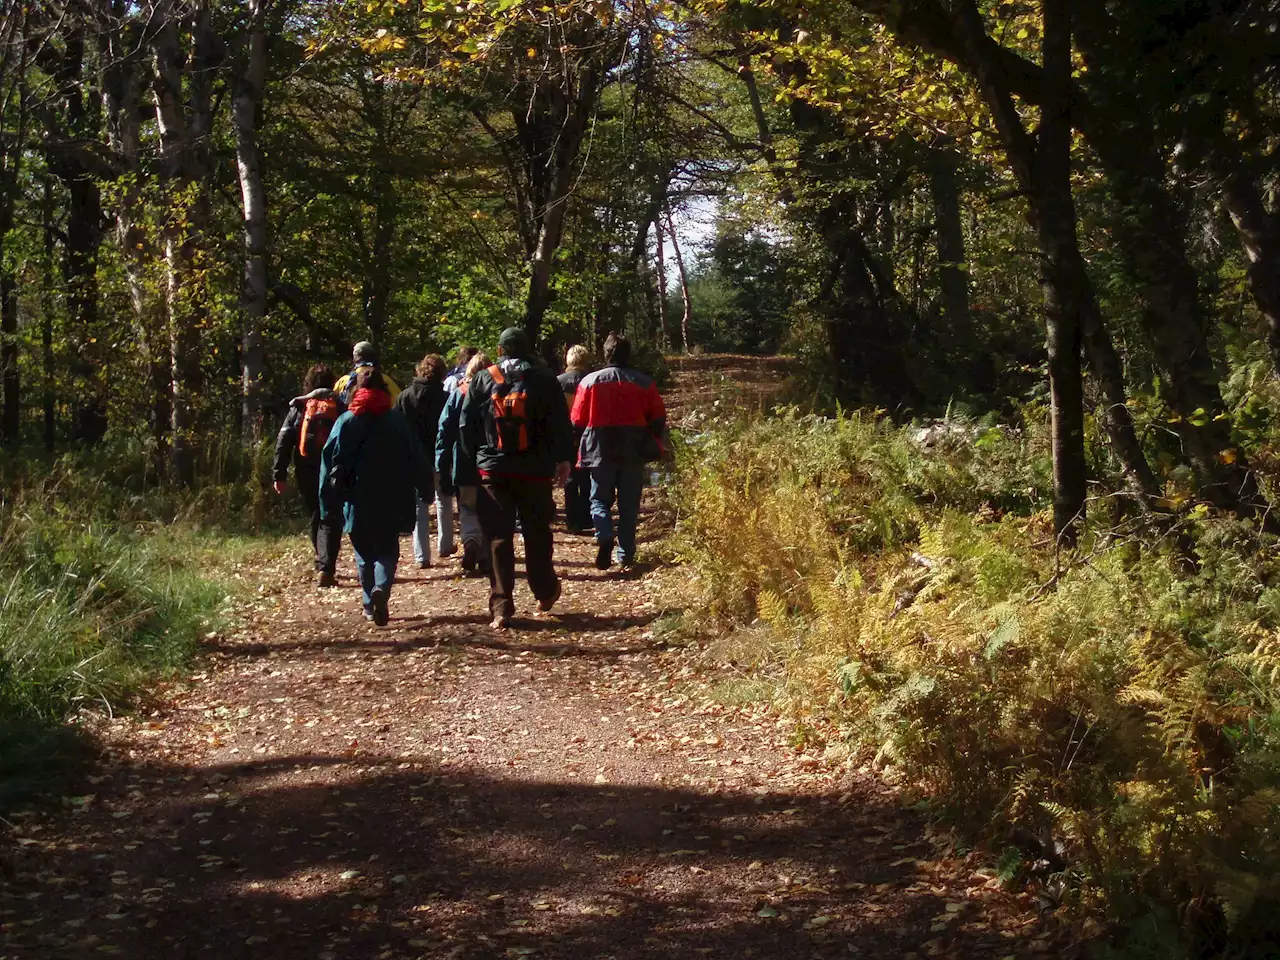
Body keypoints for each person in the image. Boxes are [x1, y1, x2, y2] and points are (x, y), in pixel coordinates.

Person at [460, 327, 574, 629]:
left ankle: (501, 607)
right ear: (528, 349)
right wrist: (563, 459)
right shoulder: (544, 379)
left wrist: (474, 460)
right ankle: (545, 590)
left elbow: (466, 423)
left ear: (500, 351)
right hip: (535, 470)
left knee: (498, 537)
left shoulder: (483, 378)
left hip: (493, 470)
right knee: (537, 531)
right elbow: (560, 423)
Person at [319, 369, 431, 626]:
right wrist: (426, 489)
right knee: (387, 549)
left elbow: (328, 464)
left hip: (356, 498)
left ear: (356, 390)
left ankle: (370, 603)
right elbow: (416, 457)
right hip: (392, 496)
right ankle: (381, 588)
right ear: (383, 390)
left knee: (363, 553)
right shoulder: (398, 420)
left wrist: (327, 504)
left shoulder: (346, 421)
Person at [571, 332, 669, 570]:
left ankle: (604, 534)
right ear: (629, 354)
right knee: (629, 505)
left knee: (599, 500)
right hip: (633, 450)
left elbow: (576, 420)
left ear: (606, 353)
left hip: (599, 450)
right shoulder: (644, 382)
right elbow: (658, 418)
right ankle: (625, 554)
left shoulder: (589, 382)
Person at [272, 363, 344, 586]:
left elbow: (284, 441)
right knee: (331, 514)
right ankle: (326, 565)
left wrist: (279, 474)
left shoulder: (300, 407)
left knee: (316, 512)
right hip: (334, 466)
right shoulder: (340, 405)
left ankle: (322, 560)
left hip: (306, 467)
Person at [436, 352, 491, 575]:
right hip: (490, 463)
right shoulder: (496, 392)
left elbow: (444, 430)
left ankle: (470, 543)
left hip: (463, 462)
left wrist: (441, 465)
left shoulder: (458, 394)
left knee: (467, 508)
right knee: (489, 509)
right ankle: (485, 555)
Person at [395, 353, 449, 568]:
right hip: (439, 455)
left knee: (420, 505)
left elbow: (397, 427)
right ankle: (445, 545)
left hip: (414, 457)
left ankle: (422, 555)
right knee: (444, 498)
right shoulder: (445, 398)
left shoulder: (404, 397)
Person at [557, 344, 595, 534]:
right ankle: (588, 516)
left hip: (565, 433)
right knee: (587, 474)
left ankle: (572, 520)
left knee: (570, 477)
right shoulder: (592, 380)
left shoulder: (558, 382)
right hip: (588, 431)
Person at [334, 341, 401, 406]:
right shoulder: (385, 379)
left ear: (355, 359)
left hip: (350, 416)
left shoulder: (343, 381)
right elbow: (398, 402)